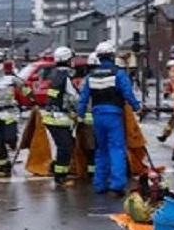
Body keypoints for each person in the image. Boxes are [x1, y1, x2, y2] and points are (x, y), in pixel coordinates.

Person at [77, 41, 142, 196]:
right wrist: (137, 108)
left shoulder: (90, 76)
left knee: (101, 149)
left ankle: (99, 184)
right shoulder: (118, 73)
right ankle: (117, 185)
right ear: (112, 55)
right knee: (116, 148)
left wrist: (80, 115)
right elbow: (127, 93)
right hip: (114, 114)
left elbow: (84, 98)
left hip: (97, 115)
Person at [42, 46, 81, 186]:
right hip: (59, 118)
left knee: (65, 144)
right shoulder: (66, 77)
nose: (73, 62)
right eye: (72, 59)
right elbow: (74, 97)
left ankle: (59, 169)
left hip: (52, 116)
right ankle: (60, 176)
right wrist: (81, 110)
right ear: (67, 60)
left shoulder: (55, 74)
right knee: (65, 146)